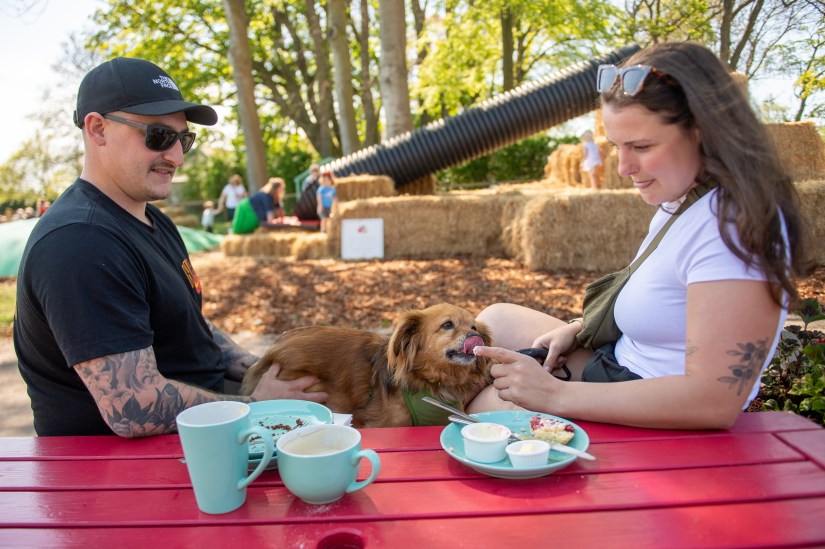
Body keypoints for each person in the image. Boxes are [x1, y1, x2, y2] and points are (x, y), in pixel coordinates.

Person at [467, 42, 810, 430]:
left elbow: (713, 402)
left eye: (641, 147)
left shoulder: (736, 228)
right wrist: (579, 330)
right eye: (616, 147)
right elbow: (668, 308)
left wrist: (555, 395)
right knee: (494, 322)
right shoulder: (685, 200)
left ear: (704, 131)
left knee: (473, 411)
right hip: (619, 366)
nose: (623, 168)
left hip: (657, 411)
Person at [14, 57, 326, 437]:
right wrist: (259, 407)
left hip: (200, 425)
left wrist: (253, 367)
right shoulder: (79, 242)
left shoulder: (150, 219)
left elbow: (185, 323)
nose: (176, 156)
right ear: (97, 129)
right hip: (125, 468)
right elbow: (134, 407)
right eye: (158, 136)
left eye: (184, 139)